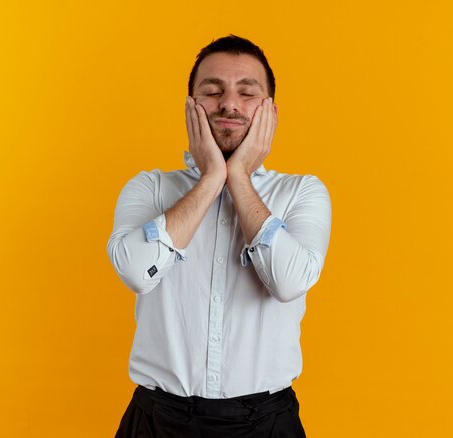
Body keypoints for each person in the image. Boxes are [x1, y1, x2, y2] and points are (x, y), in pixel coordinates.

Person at [107, 35, 332, 437]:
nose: (229, 104)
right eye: (212, 91)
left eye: (247, 93)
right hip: (157, 421)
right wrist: (212, 176)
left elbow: (289, 283)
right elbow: (138, 273)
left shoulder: (302, 192)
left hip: (266, 423)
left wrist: (239, 177)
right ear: (191, 106)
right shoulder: (149, 188)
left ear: (269, 112)